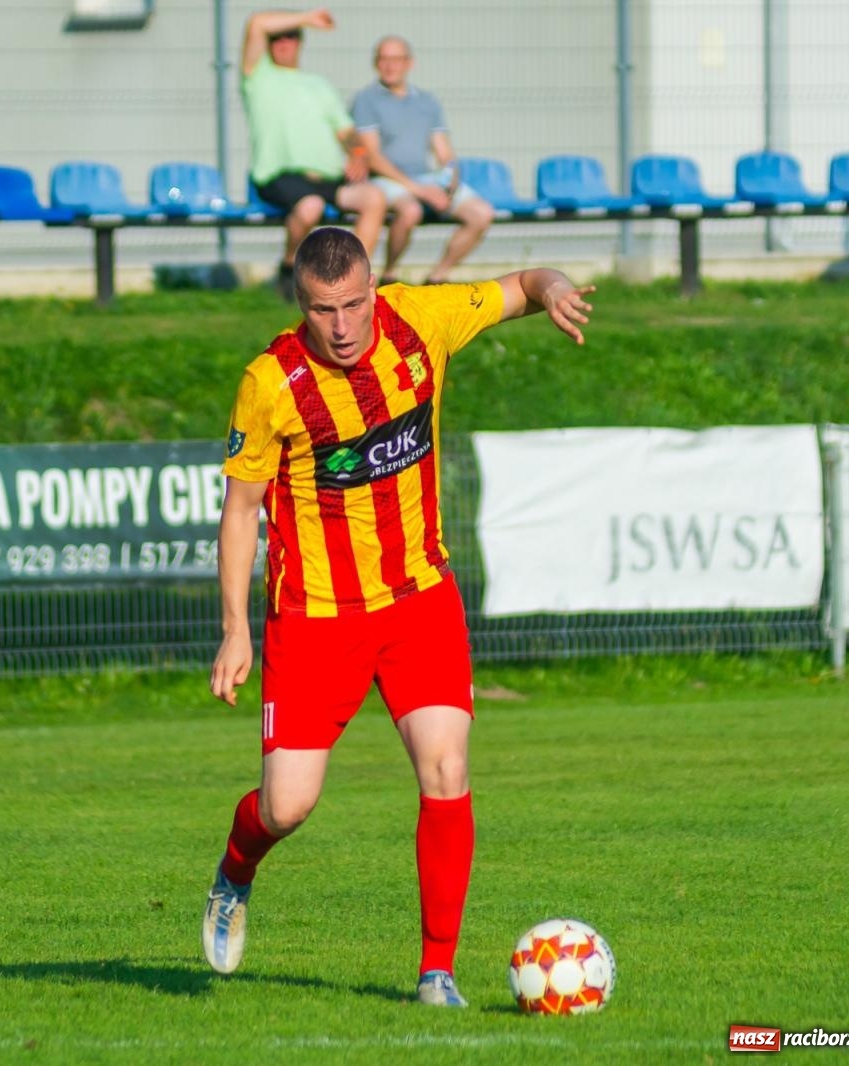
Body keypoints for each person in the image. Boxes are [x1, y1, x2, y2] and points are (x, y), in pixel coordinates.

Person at [200, 227, 594, 1007]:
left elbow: (522, 282)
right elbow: (241, 510)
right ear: (300, 303)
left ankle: (435, 973)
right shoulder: (271, 382)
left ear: (374, 284)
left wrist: (552, 290)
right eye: (323, 310)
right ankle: (236, 870)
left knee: (446, 767)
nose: (342, 326)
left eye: (352, 304)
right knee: (287, 805)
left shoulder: (421, 319)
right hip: (315, 618)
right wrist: (236, 629)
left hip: (418, 597)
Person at [242, 8, 386, 301]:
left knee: (374, 198)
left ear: (299, 44)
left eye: (291, 38)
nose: (284, 43)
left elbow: (346, 132)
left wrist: (358, 154)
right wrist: (306, 19)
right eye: (277, 38)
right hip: (279, 176)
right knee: (310, 206)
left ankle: (353, 278)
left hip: (328, 177)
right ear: (269, 45)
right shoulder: (258, 77)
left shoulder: (319, 85)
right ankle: (288, 268)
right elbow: (257, 23)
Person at [350, 35, 496, 285]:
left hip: (425, 177)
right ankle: (389, 274)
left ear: (409, 63)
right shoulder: (365, 100)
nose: (390, 65)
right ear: (376, 63)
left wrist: (451, 178)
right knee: (410, 211)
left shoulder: (427, 102)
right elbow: (372, 157)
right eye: (384, 59)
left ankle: (437, 277)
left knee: (482, 213)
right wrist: (419, 190)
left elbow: (444, 152)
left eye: (396, 59)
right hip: (386, 179)